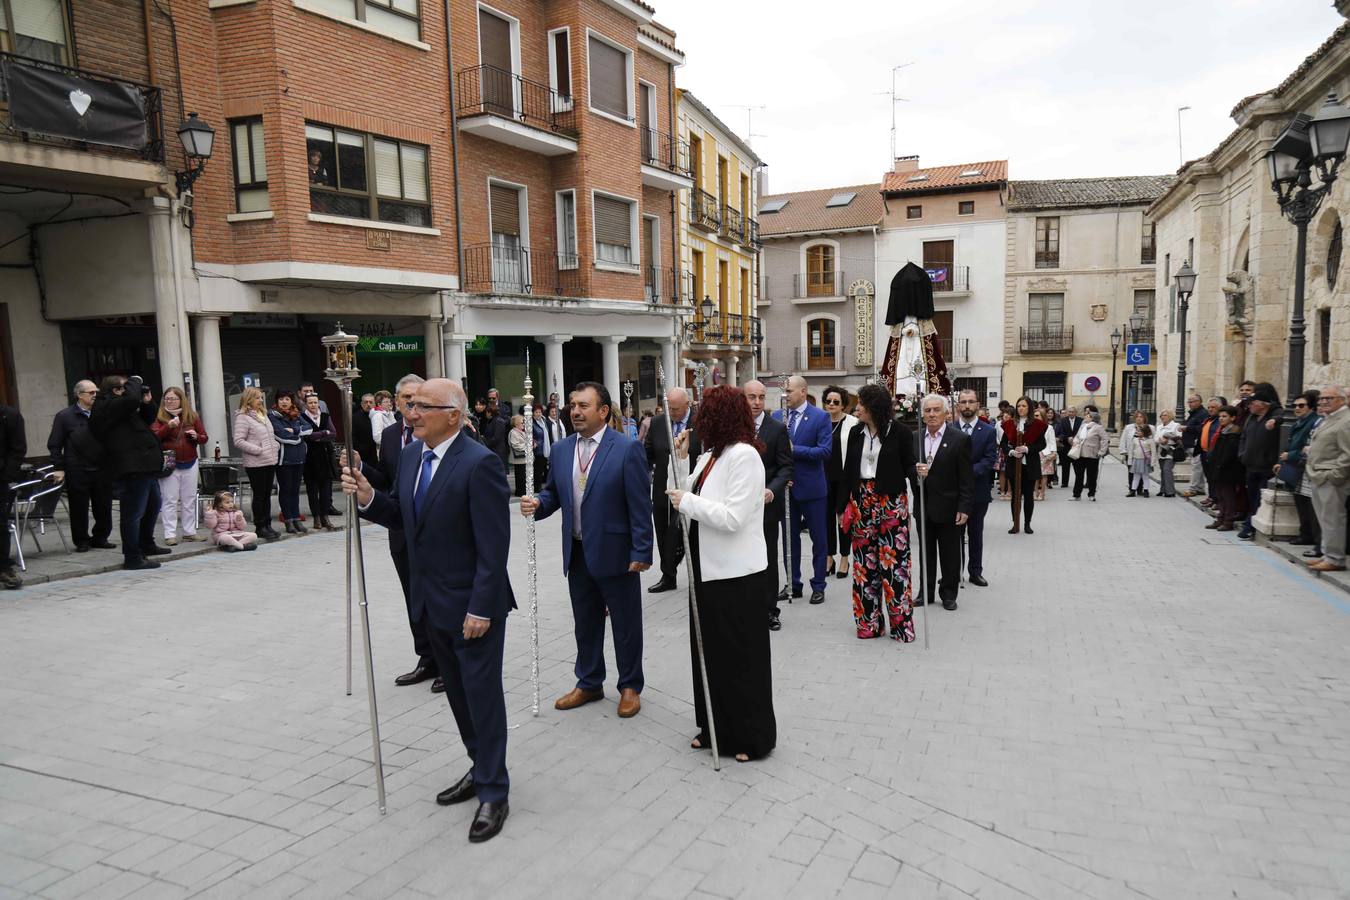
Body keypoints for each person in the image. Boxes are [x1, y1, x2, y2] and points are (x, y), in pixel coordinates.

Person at [343, 378, 514, 843]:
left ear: (454, 415)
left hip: (472, 608)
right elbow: (404, 516)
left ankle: (495, 791)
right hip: (430, 602)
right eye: (409, 406)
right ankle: (481, 768)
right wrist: (367, 499)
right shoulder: (413, 456)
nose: (410, 413)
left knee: (481, 697)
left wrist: (481, 606)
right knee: (457, 697)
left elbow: (494, 547)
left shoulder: (481, 464)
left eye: (422, 407)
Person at [522, 382, 653, 718]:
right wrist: (537, 502)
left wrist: (642, 550)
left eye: (583, 405)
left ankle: (629, 686)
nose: (575, 411)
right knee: (585, 622)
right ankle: (590, 681)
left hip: (617, 553)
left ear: (604, 411)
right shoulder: (563, 449)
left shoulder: (626, 449)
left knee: (625, 624)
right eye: (572, 405)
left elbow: (640, 505)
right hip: (578, 553)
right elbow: (554, 492)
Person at [665, 385, 775, 762]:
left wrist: (689, 501)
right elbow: (680, 492)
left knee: (741, 658)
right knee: (710, 655)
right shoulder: (711, 455)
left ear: (719, 416)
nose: (697, 421)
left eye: (704, 413)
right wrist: (680, 461)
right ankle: (714, 727)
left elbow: (732, 517)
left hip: (737, 574)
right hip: (707, 570)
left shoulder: (744, 457)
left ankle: (750, 736)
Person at [837, 384, 917, 640]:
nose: (857, 408)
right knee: (864, 567)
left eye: (862, 404)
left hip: (891, 504)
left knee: (895, 567)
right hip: (862, 502)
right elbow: (847, 470)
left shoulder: (901, 433)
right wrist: (841, 507)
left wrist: (922, 481)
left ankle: (901, 626)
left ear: (875, 408)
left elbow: (910, 468)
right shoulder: (856, 432)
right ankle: (868, 625)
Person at [90, 375, 171, 570]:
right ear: (117, 390)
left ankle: (146, 543)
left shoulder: (121, 408)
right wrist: (135, 379)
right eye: (126, 387)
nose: (130, 390)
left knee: (153, 505)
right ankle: (133, 556)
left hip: (144, 466)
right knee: (133, 513)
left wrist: (148, 401)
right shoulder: (105, 406)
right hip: (131, 467)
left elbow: (149, 418)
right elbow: (131, 400)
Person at [773, 375, 833, 604]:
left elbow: (824, 452)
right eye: (785, 391)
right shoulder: (778, 417)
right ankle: (793, 583)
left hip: (813, 489)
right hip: (786, 489)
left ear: (803, 391)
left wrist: (794, 449)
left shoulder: (820, 417)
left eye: (789, 390)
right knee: (790, 539)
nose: (786, 394)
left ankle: (818, 584)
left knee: (819, 538)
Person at [913, 395, 972, 610]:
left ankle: (948, 593)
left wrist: (964, 507)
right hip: (924, 506)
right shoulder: (916, 437)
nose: (931, 414)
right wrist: (915, 472)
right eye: (927, 410)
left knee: (949, 554)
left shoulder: (959, 439)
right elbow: (909, 470)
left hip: (949, 507)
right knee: (925, 554)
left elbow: (966, 478)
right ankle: (925, 593)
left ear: (947, 413)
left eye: (936, 410)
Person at [743, 381, 792, 631]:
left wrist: (772, 490)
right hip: (739, 507)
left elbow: (785, 466)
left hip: (766, 507)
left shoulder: (777, 429)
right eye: (752, 397)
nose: (757, 402)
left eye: (761, 397)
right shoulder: (735, 427)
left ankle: (770, 609)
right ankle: (747, 608)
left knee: (768, 558)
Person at [47, 380, 115, 553]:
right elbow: (55, 444)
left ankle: (100, 537)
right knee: (79, 507)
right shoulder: (65, 416)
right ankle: (81, 540)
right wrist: (59, 466)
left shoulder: (103, 412)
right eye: (91, 392)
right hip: (77, 468)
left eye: (96, 392)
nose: (95, 395)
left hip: (102, 466)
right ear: (79, 395)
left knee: (104, 504)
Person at [645, 387, 700, 593]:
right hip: (662, 488)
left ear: (688, 405)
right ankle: (668, 575)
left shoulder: (700, 423)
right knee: (663, 530)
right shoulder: (658, 422)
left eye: (676, 409)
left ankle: (698, 574)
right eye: (669, 407)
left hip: (692, 487)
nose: (672, 412)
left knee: (689, 530)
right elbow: (648, 452)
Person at [151, 387, 208, 545]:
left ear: (181, 399)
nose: (169, 401)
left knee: (188, 499)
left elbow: (204, 437)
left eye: (173, 398)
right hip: (170, 463)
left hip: (190, 461)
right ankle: (170, 534)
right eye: (167, 398)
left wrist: (197, 436)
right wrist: (168, 426)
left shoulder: (192, 416)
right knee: (169, 500)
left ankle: (189, 532)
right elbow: (154, 438)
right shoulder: (160, 418)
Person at [954, 388, 997, 586]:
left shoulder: (988, 431)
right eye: (963, 402)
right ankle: (954, 572)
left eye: (971, 402)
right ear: (958, 405)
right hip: (953, 494)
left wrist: (966, 473)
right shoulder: (949, 429)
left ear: (978, 405)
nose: (967, 405)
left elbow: (989, 460)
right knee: (954, 536)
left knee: (975, 534)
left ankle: (975, 572)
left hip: (978, 492)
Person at [1306, 386, 1350, 572]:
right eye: (1322, 398)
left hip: (1330, 478)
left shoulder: (1345, 420)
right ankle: (1327, 554)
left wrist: (1334, 476)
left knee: (1333, 519)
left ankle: (1335, 558)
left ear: (1341, 399)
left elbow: (1347, 453)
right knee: (1325, 519)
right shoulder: (1328, 419)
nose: (1323, 401)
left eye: (1329, 398)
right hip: (1318, 476)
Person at [233, 388, 281, 541]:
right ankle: (260, 526)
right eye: (257, 398)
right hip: (256, 463)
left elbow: (270, 435)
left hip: (270, 460)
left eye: (261, 398)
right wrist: (258, 450)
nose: (260, 401)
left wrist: (275, 446)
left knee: (267, 495)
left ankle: (267, 525)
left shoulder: (263, 414)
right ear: (248, 400)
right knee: (259, 495)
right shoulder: (243, 417)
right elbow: (238, 441)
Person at [1279, 390, 1323, 559]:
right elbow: (1291, 443)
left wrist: (1290, 456)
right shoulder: (1300, 422)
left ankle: (1315, 540)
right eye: (1295, 405)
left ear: (1311, 407)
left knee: (1312, 507)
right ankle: (1306, 534)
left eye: (1301, 405)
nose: (1297, 408)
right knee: (1301, 503)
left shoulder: (1314, 422)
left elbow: (1308, 446)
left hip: (1307, 468)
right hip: (1297, 468)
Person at [1237, 383, 1284, 540]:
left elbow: (1285, 419)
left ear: (1262, 404)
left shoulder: (1277, 415)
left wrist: (1276, 420)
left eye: (1252, 402)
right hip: (1250, 464)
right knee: (1252, 497)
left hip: (1266, 465)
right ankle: (1250, 523)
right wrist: (1242, 454)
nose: (1249, 405)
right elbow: (1244, 436)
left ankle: (1249, 526)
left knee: (1259, 497)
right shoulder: (1252, 417)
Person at [822, 386, 858, 581]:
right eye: (828, 401)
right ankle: (829, 557)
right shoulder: (821, 422)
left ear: (843, 404)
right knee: (826, 519)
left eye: (836, 402)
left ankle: (844, 558)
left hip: (844, 479)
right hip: (823, 478)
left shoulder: (853, 423)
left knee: (843, 521)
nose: (831, 405)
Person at [999, 397, 1046, 534]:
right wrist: (1011, 451)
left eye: (1024, 406)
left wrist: (1028, 449)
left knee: (1028, 495)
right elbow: (1003, 444)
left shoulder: (1037, 424)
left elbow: (1042, 444)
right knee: (1015, 495)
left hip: (1029, 464)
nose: (1020, 408)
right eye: (1018, 406)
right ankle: (1015, 523)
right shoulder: (1010, 424)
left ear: (1029, 408)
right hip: (1014, 463)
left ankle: (1027, 524)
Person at [270, 390, 312, 534]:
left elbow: (309, 429)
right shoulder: (273, 415)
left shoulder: (297, 414)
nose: (284, 402)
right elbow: (281, 435)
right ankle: (288, 520)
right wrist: (298, 436)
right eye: (281, 399)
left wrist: (293, 430)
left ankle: (296, 519)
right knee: (286, 490)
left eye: (287, 399)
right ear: (277, 401)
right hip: (284, 459)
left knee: (295, 491)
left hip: (299, 458)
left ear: (291, 401)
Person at [1205, 406, 1245, 532]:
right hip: (1218, 468)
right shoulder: (1222, 431)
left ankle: (1228, 521)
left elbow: (1230, 453)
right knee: (1220, 495)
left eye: (1224, 416)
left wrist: (1220, 464)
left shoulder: (1234, 432)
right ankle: (1220, 518)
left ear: (1232, 418)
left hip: (1228, 470)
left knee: (1228, 496)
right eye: (1220, 416)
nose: (1221, 419)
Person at [301, 392, 338, 530]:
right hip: (309, 458)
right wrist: (324, 433)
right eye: (310, 402)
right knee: (312, 490)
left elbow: (334, 433)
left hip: (325, 457)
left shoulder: (325, 416)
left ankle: (325, 517)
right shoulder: (302, 417)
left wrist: (319, 437)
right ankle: (316, 518)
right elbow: (307, 436)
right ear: (306, 404)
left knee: (326, 490)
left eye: (315, 402)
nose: (313, 405)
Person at [0, 402, 25, 588]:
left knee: (1, 523)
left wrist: (7, 476)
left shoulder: (9, 415)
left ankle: (3, 566)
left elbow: (17, 449)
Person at [1070, 409, 1109, 500]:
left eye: (1087, 416)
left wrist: (1101, 452)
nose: (1085, 417)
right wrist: (1075, 442)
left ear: (1092, 418)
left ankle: (1091, 494)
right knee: (1079, 476)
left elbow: (1104, 440)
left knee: (1091, 476)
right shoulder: (1083, 426)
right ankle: (1076, 495)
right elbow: (1077, 436)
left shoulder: (1098, 427)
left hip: (1092, 455)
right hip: (1080, 453)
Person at [1181, 394, 1209, 498]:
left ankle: (1193, 489)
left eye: (1192, 401)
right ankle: (1200, 488)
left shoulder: (1202, 414)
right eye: (1189, 401)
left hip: (1196, 444)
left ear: (1199, 402)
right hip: (1190, 444)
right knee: (1198, 466)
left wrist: (1187, 428)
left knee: (1196, 467)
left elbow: (1202, 428)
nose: (1190, 404)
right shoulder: (1193, 414)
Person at [1123, 411, 1155, 497]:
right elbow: (1124, 439)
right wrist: (1123, 451)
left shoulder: (1150, 428)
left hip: (1145, 457)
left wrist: (1152, 461)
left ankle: (1142, 490)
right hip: (1132, 454)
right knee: (1132, 474)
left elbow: (1154, 442)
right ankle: (1132, 489)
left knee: (1144, 475)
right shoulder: (1129, 427)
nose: (1139, 418)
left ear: (1144, 418)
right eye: (1137, 416)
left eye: (1141, 416)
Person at [1154, 409, 1184, 498]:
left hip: (1171, 451)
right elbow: (1155, 438)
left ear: (1170, 416)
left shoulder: (1175, 425)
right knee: (1163, 471)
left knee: (1167, 470)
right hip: (1161, 451)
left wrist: (1167, 441)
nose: (1163, 417)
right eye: (1162, 415)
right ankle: (1162, 490)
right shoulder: (1159, 427)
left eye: (1165, 415)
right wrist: (1160, 440)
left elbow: (1180, 438)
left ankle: (1170, 491)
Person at [1056, 407, 1081, 489]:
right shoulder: (1063, 421)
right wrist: (1067, 438)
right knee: (1065, 466)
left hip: (1076, 447)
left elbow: (1081, 432)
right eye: (1069, 412)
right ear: (1067, 412)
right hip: (1066, 446)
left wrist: (1074, 438)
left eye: (1072, 412)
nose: (1071, 413)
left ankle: (1079, 482)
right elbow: (1062, 432)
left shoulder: (1080, 420)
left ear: (1076, 412)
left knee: (1077, 466)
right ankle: (1064, 482)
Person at [1034, 408, 1056, 500]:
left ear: (1042, 416)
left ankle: (1042, 493)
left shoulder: (1049, 427)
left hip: (1045, 453)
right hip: (1034, 452)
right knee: (1034, 475)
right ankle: (1035, 493)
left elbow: (1052, 441)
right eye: (1034, 415)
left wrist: (1053, 453)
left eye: (1037, 415)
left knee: (1044, 475)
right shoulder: (1031, 426)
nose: (1035, 417)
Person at [352, 393, 378, 469]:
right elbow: (352, 436)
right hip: (362, 455)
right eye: (366, 402)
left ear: (374, 404)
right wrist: (361, 448)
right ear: (361, 404)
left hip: (377, 454)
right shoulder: (355, 418)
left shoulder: (379, 415)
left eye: (371, 402)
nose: (368, 404)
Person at [507, 414, 528, 497]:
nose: (524, 424)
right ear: (516, 424)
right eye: (522, 422)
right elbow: (516, 445)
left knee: (522, 476)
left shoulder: (520, 432)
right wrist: (528, 446)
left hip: (522, 458)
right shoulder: (513, 432)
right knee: (520, 476)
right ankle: (520, 492)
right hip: (518, 459)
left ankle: (522, 491)